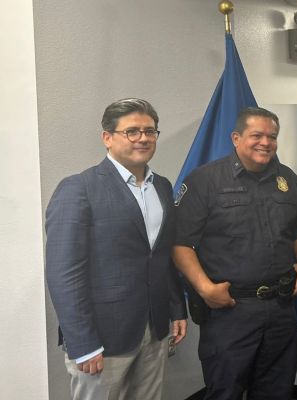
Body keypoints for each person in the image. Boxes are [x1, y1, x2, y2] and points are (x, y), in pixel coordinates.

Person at [45, 98, 188, 400]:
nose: (143, 138)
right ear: (107, 138)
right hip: (103, 337)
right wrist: (83, 342)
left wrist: (176, 308)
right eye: (132, 131)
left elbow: (162, 258)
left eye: (150, 131)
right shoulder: (78, 189)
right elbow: (63, 274)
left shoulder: (161, 186)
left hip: (155, 328)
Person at [173, 107, 297, 399]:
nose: (265, 142)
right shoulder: (205, 180)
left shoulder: (287, 179)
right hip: (230, 310)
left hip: (280, 307)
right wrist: (205, 288)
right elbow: (181, 243)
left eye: (272, 136)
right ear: (236, 138)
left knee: (277, 389)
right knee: (226, 390)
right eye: (256, 135)